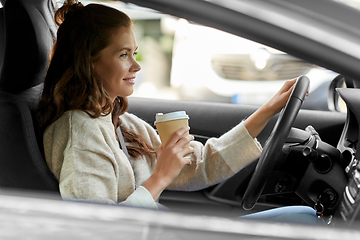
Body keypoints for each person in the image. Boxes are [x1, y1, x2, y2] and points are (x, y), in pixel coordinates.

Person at [36, 0, 316, 223]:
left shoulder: (117, 121)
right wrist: (159, 178)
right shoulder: (80, 131)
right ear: (89, 62)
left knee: (303, 217)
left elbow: (200, 164)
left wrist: (267, 111)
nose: (136, 66)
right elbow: (93, 229)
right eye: (123, 55)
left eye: (134, 53)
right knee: (305, 220)